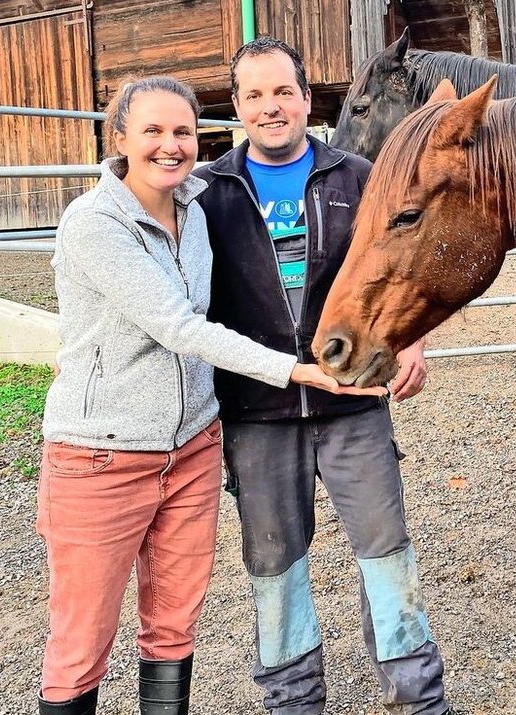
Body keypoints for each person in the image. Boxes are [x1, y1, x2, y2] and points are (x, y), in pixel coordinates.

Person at [38, 75, 383, 715]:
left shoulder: (196, 209)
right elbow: (177, 324)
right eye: (153, 132)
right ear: (119, 140)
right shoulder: (94, 223)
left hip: (191, 447)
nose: (170, 146)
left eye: (183, 132)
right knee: (82, 636)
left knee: (173, 623)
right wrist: (295, 370)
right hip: (104, 452)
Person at [194, 37, 451, 715]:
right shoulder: (212, 193)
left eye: (283, 91)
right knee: (275, 570)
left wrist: (414, 336)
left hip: (356, 403)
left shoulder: (357, 176)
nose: (270, 106)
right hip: (258, 415)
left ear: (308, 99)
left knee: (386, 555)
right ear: (238, 106)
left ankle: (417, 698)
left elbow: (410, 260)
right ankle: (292, 702)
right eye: (254, 94)